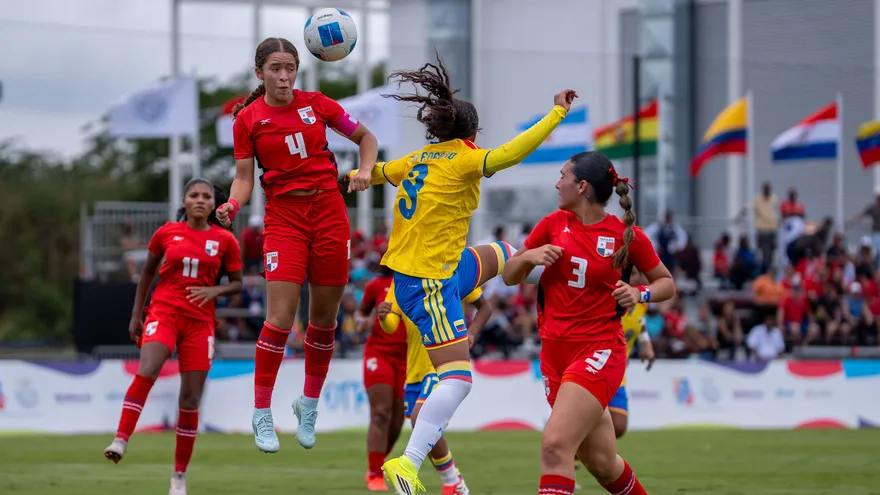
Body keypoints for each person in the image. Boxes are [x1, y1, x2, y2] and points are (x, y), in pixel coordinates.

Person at [345, 50, 575, 493]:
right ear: (472, 133)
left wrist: (349, 177)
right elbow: (512, 153)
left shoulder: (416, 160)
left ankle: (569, 277)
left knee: (511, 253)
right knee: (458, 380)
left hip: (443, 270)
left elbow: (372, 175)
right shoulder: (464, 159)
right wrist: (556, 113)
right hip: (430, 284)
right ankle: (407, 465)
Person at [214, 37, 378, 453]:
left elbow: (367, 139)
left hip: (328, 213)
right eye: (275, 69)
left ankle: (308, 404)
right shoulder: (247, 120)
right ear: (260, 73)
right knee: (281, 318)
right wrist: (233, 203)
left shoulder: (318, 104)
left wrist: (366, 171)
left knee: (324, 322)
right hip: (284, 218)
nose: (284, 76)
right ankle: (262, 413)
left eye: (290, 68)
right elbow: (245, 178)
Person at [502, 152, 676, 495]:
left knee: (554, 445)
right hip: (554, 353)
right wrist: (529, 258)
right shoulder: (552, 223)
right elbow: (509, 276)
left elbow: (666, 283)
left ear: (582, 187)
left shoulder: (627, 235)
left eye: (562, 175)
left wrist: (639, 293)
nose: (557, 182)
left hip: (599, 350)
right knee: (601, 462)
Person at [104, 179, 243, 495]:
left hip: (200, 323)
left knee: (190, 398)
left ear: (212, 205)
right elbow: (147, 274)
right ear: (185, 200)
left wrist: (214, 290)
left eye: (206, 197)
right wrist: (136, 315)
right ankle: (121, 438)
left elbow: (237, 283)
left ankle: (178, 476)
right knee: (148, 369)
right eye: (194, 195)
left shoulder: (225, 241)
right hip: (164, 313)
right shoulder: (167, 232)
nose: (200, 200)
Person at [377, 241, 516, 495]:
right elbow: (391, 326)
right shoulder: (399, 284)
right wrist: (384, 316)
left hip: (438, 365)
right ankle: (453, 481)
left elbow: (484, 305)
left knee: (422, 417)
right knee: (424, 427)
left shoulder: (443, 272)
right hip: (414, 370)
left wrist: (472, 333)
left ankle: (446, 479)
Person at [357, 265, 409, 491]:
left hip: (407, 359)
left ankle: (377, 462)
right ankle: (375, 472)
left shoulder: (418, 283)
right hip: (379, 353)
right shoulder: (375, 285)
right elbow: (361, 313)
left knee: (398, 421)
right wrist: (363, 322)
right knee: (380, 413)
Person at [608, 270, 655, 438]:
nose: (632, 277)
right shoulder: (609, 299)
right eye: (630, 273)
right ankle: (576, 455)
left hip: (619, 371)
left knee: (619, 426)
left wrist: (646, 344)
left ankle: (582, 450)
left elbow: (640, 323)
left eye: (636, 273)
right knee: (591, 418)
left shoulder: (642, 303)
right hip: (597, 367)